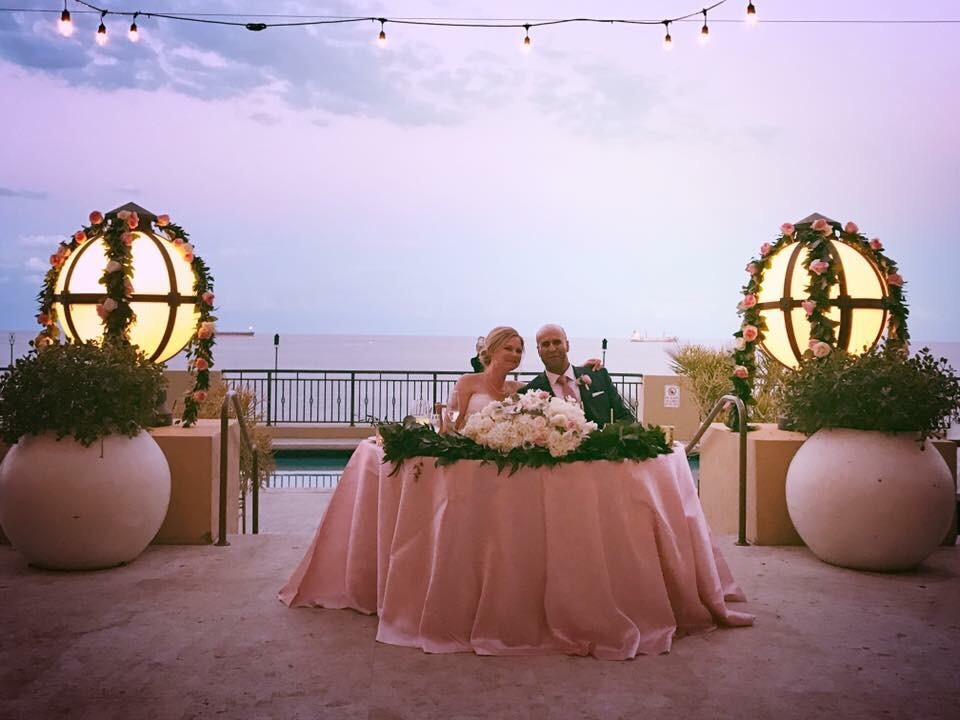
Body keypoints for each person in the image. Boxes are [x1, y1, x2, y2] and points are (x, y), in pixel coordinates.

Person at [520, 323, 634, 428]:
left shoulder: (599, 376)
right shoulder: (529, 394)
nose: (552, 348)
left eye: (557, 342)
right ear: (538, 351)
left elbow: (625, 417)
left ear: (567, 345)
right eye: (545, 344)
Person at [445, 326, 524, 432]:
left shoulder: (519, 389)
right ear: (492, 350)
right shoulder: (467, 382)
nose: (514, 354)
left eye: (518, 351)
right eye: (508, 348)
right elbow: (450, 427)